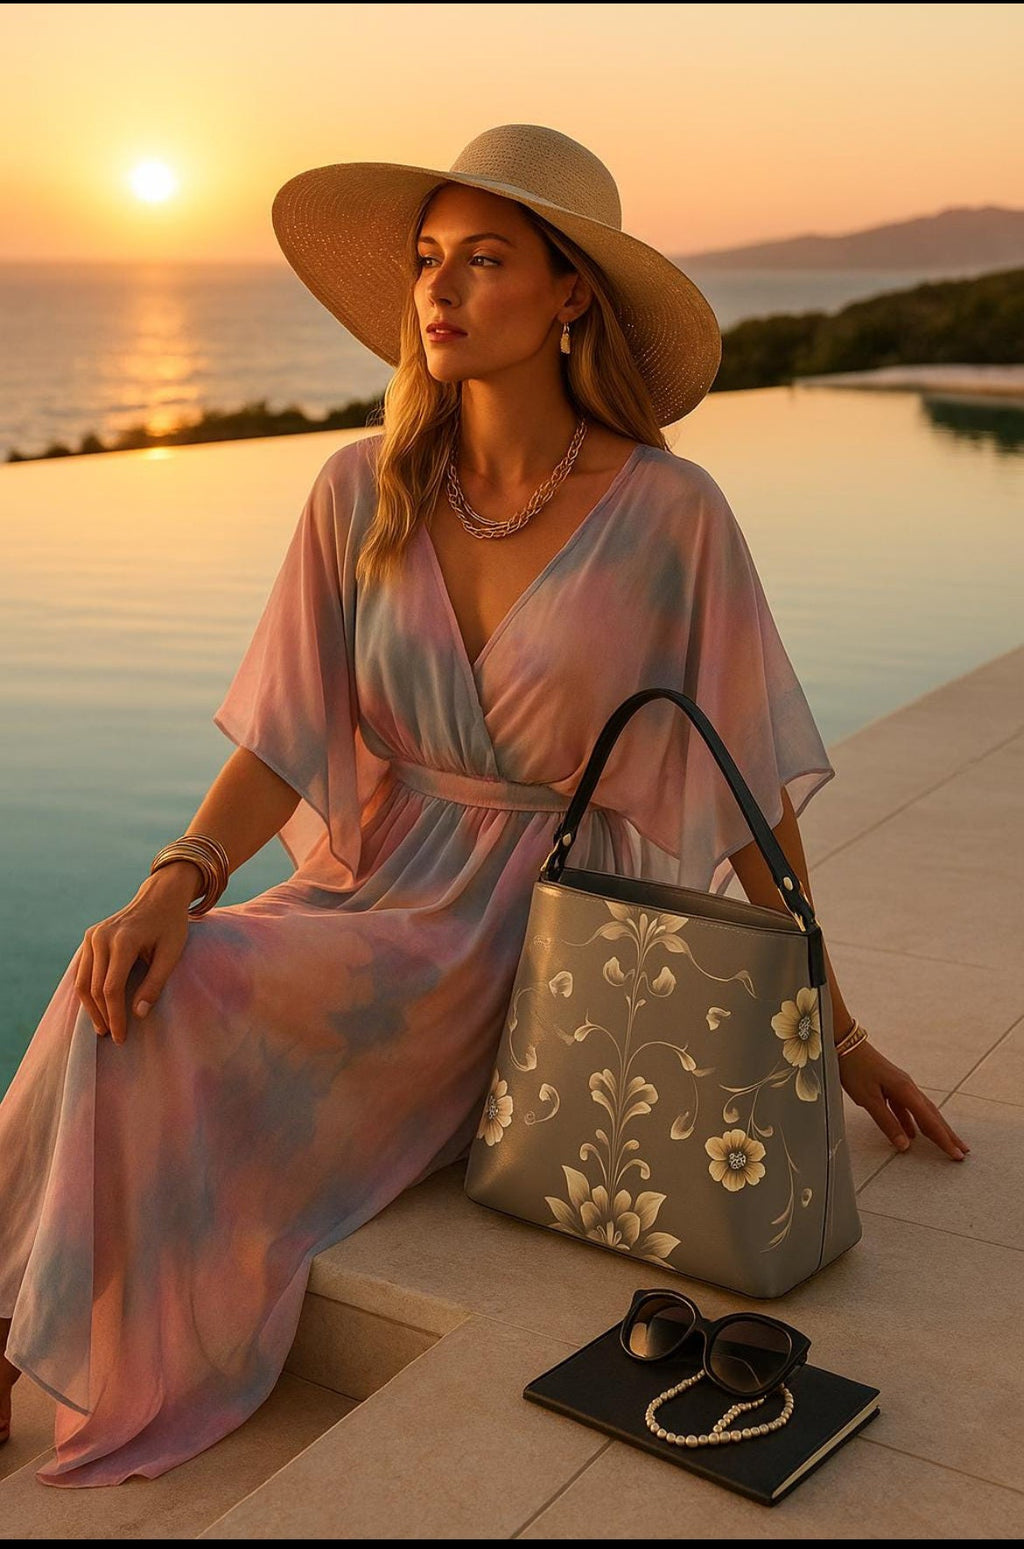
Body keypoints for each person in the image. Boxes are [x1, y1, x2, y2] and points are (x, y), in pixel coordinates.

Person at [0, 123, 969, 1487]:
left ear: (572, 292)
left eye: (486, 259)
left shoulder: (672, 513)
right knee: (127, 970)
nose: (440, 291)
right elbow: (284, 737)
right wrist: (177, 876)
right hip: (369, 891)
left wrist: (836, 1029)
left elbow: (743, 788)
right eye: (427, 260)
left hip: (539, 938)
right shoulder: (360, 489)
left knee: (166, 1005)